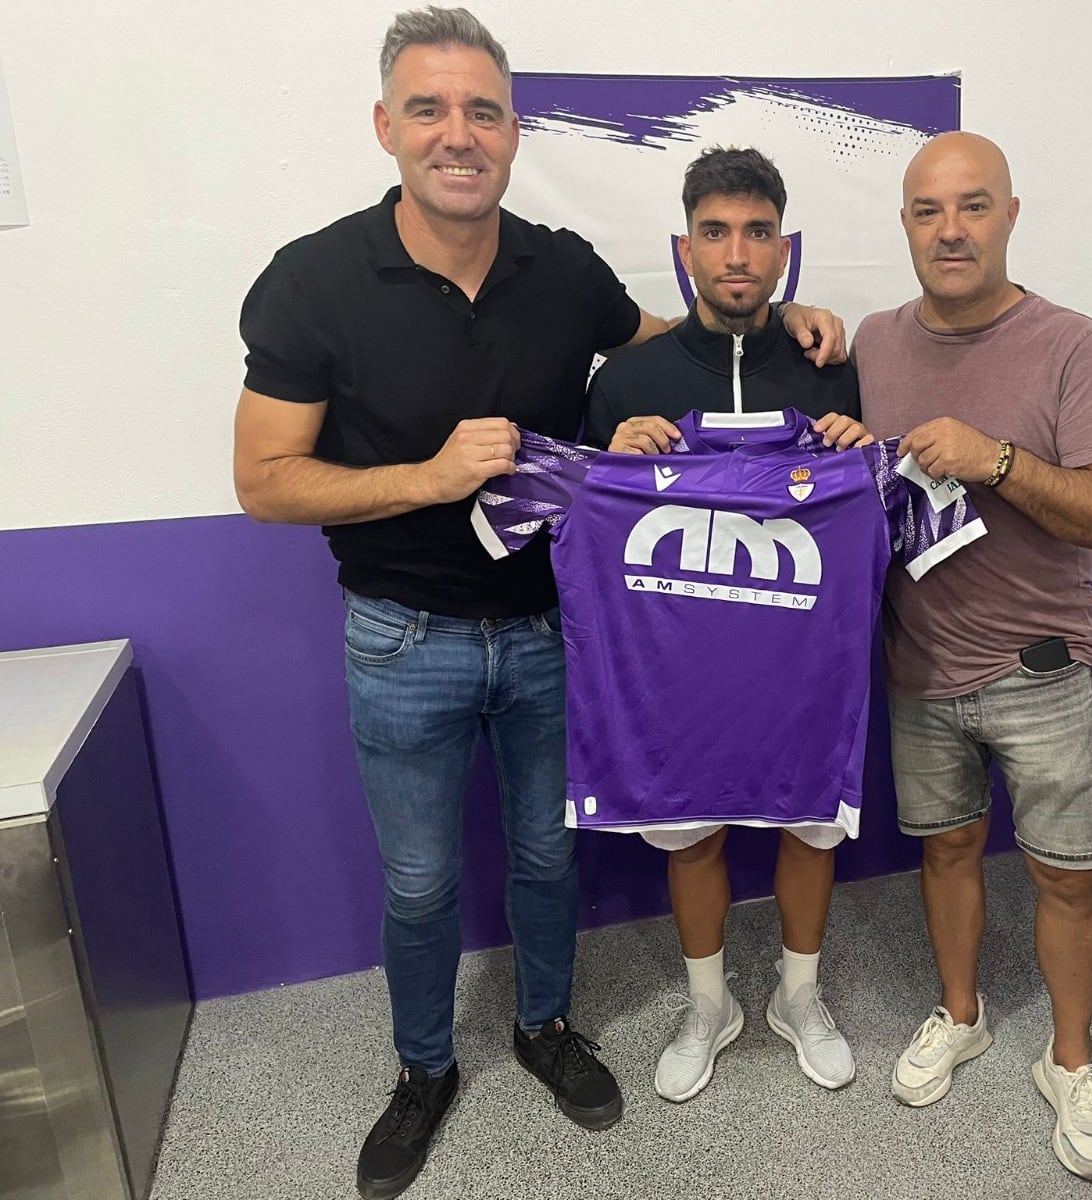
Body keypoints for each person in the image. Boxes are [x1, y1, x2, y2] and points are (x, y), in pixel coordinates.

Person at [231, 10, 845, 1198]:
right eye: (429, 109)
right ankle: (421, 1074)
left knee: (545, 857)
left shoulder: (561, 269)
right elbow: (261, 481)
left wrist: (794, 328)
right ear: (385, 126)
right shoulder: (313, 279)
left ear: (513, 132)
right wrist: (430, 476)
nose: (457, 135)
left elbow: (672, 346)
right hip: (399, 634)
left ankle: (546, 1030)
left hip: (554, 632)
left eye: (482, 112)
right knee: (417, 881)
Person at [853, 131, 1092, 1182]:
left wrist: (1002, 460)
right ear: (905, 226)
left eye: (973, 206)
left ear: (1011, 215)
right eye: (928, 212)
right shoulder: (874, 342)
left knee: (1068, 879)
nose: (951, 229)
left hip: (1042, 670)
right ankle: (962, 1015)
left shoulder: (1072, 344)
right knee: (945, 852)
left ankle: (1070, 1062)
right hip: (918, 667)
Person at [585, 146, 870, 1103]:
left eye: (756, 233)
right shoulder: (627, 381)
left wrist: (860, 450)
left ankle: (799, 994)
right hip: (677, 677)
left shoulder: (834, 367)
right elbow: (581, 516)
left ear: (785, 248)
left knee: (809, 827)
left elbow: (873, 500)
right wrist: (610, 458)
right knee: (693, 835)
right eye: (715, 232)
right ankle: (710, 1004)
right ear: (684, 247)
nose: (736, 254)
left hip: (800, 664)